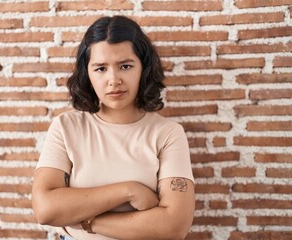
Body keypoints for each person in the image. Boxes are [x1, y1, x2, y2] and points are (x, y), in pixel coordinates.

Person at [32, 15, 195, 240]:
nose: (113, 79)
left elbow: (174, 226)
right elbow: (45, 209)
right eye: (100, 69)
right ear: (87, 74)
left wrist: (87, 221)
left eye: (125, 66)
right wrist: (128, 190)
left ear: (143, 68)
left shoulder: (167, 134)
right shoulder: (66, 127)